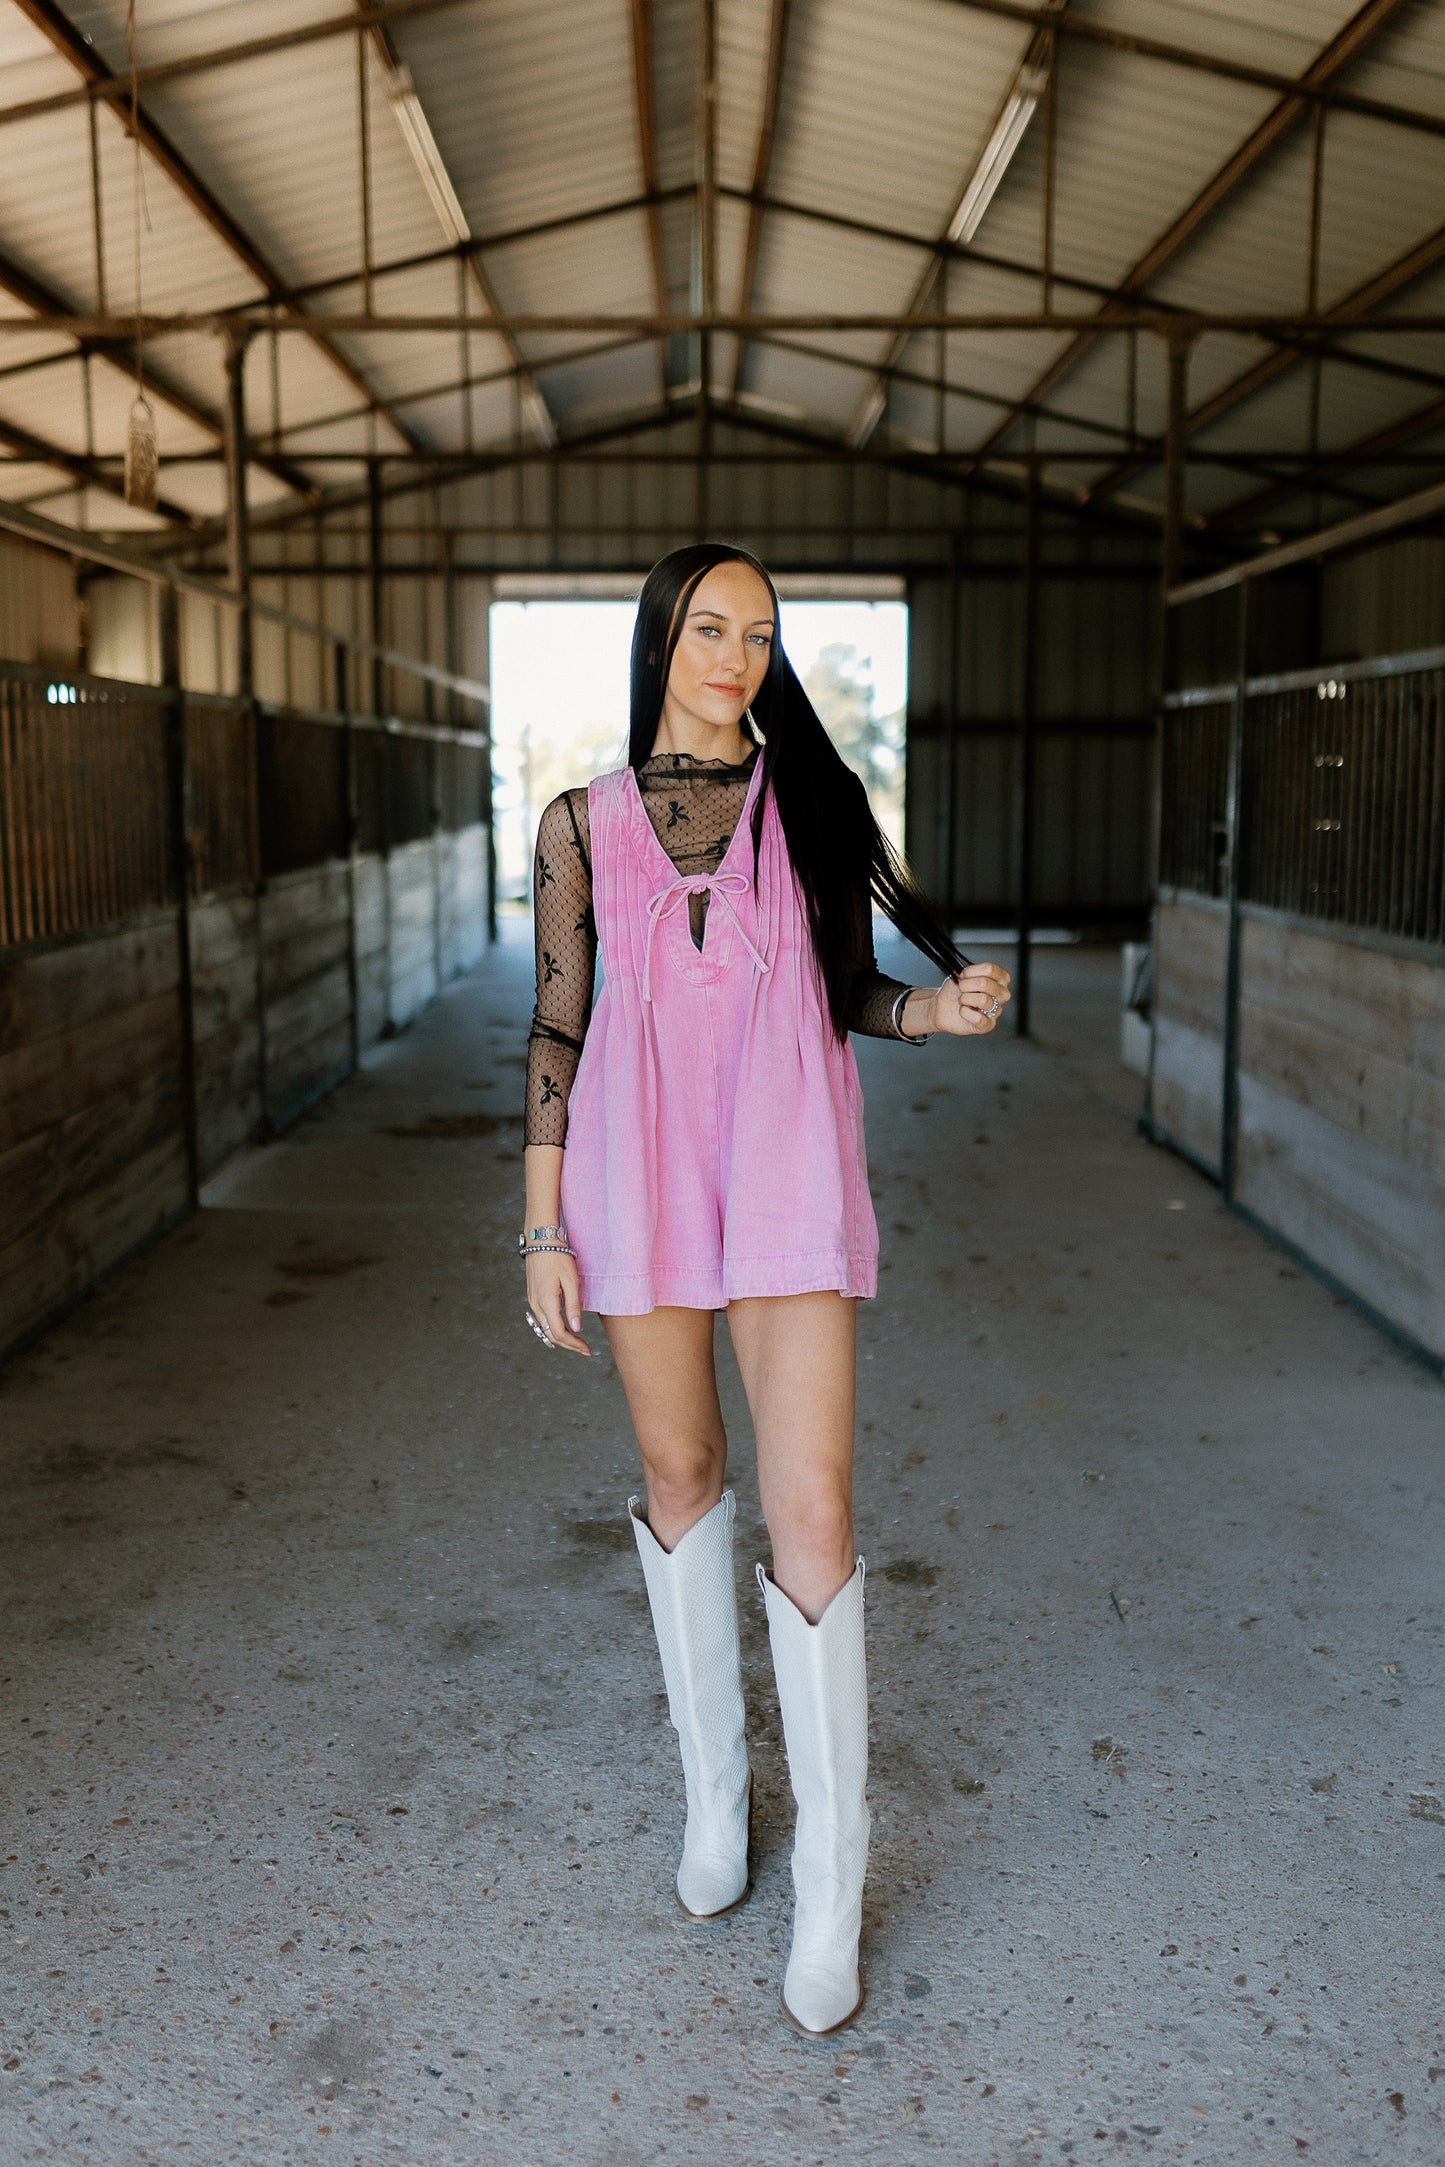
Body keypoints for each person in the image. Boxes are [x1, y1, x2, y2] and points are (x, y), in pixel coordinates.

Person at [520, 542, 1010, 2038]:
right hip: (633, 1173)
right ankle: (719, 1808)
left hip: (788, 1170)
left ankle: (832, 1892)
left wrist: (929, 1008)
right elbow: (554, 1029)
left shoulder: (801, 804)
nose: (736, 656)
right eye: (709, 628)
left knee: (816, 1512)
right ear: (662, 637)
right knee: (679, 1470)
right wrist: (539, 1229)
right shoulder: (580, 825)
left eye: (761, 634)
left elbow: (844, 982)